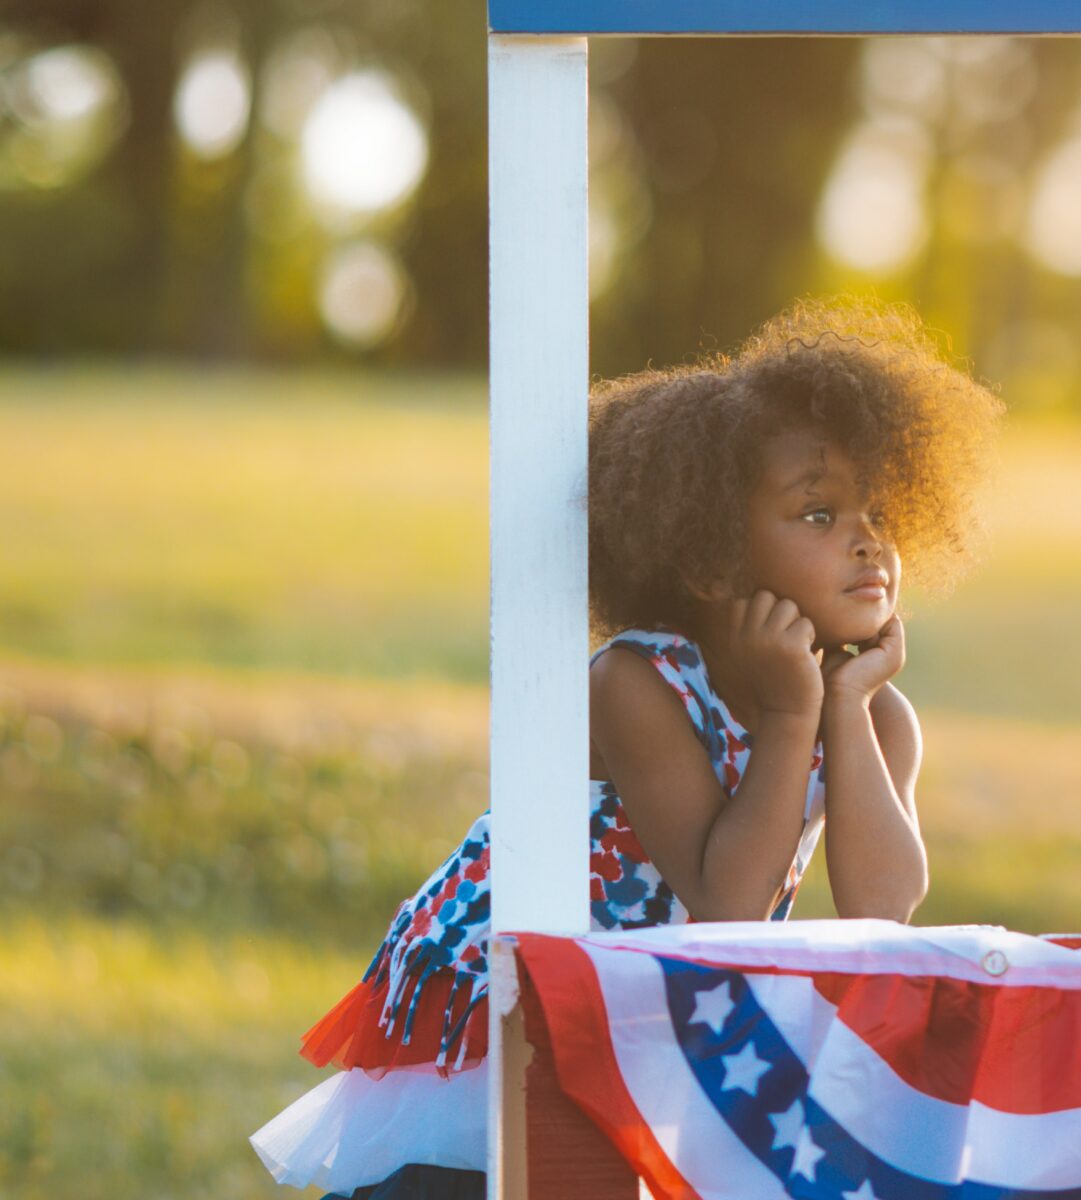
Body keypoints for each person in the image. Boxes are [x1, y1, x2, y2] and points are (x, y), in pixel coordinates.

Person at [251, 296, 1004, 1198]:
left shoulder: (873, 714)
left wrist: (841, 702)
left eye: (878, 509)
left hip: (640, 1005)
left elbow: (883, 910)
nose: (868, 538)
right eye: (817, 514)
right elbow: (725, 892)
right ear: (713, 558)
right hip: (507, 996)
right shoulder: (637, 685)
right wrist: (792, 713)